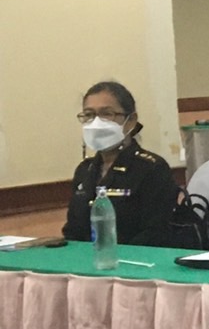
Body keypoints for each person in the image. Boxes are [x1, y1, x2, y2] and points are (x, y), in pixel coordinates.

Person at [63, 80, 178, 247]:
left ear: (130, 120)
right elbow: (73, 231)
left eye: (107, 114)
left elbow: (156, 232)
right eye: (89, 115)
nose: (96, 123)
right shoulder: (84, 170)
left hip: (136, 259)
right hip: (87, 259)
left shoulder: (151, 168)